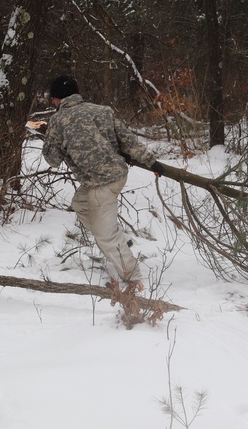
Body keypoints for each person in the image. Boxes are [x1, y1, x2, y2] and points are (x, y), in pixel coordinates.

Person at [42, 75, 165, 293]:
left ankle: (133, 279)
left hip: (101, 183)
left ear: (56, 99)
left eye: (52, 99)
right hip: (116, 175)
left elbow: (52, 159)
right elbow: (128, 139)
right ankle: (121, 239)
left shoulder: (57, 121)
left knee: (105, 236)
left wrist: (48, 137)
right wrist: (151, 161)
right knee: (80, 204)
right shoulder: (102, 111)